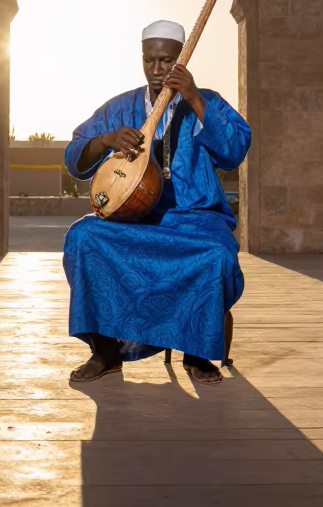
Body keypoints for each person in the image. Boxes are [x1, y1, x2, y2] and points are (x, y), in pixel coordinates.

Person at [63, 20, 252, 385]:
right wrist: (106, 140)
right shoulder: (122, 107)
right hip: (134, 221)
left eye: (166, 60)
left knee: (216, 253)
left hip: (195, 218)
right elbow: (74, 156)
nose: (157, 69)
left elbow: (235, 150)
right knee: (83, 237)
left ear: (181, 59)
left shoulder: (206, 99)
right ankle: (105, 352)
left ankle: (196, 353)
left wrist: (195, 98)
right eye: (150, 60)